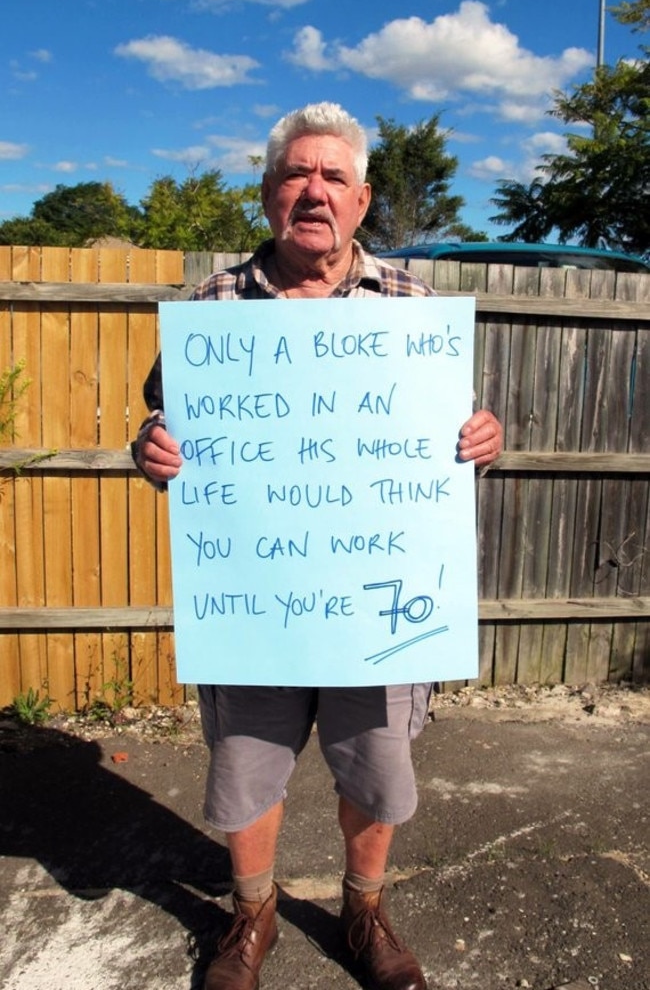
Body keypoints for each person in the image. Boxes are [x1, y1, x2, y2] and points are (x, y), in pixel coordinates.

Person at [133, 101, 503, 990]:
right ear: (267, 194)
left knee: (376, 769)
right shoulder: (211, 307)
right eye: (297, 174)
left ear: (363, 199)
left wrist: (485, 439)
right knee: (247, 768)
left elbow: (449, 438)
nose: (314, 190)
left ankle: (363, 911)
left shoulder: (414, 306)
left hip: (380, 606)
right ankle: (250, 914)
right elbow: (166, 426)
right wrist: (151, 449)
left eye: (334, 177)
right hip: (256, 603)